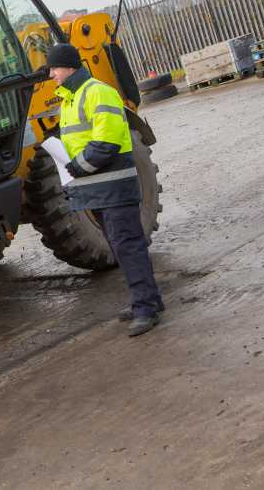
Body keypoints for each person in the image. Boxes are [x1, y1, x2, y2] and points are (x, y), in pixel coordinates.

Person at [47, 43, 164, 336]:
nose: (51, 74)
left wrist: (77, 166)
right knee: (120, 247)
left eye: (54, 68)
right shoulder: (69, 99)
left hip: (114, 188)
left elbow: (107, 142)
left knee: (128, 246)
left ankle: (146, 308)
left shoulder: (98, 92)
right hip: (97, 190)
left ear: (69, 67)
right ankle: (146, 300)